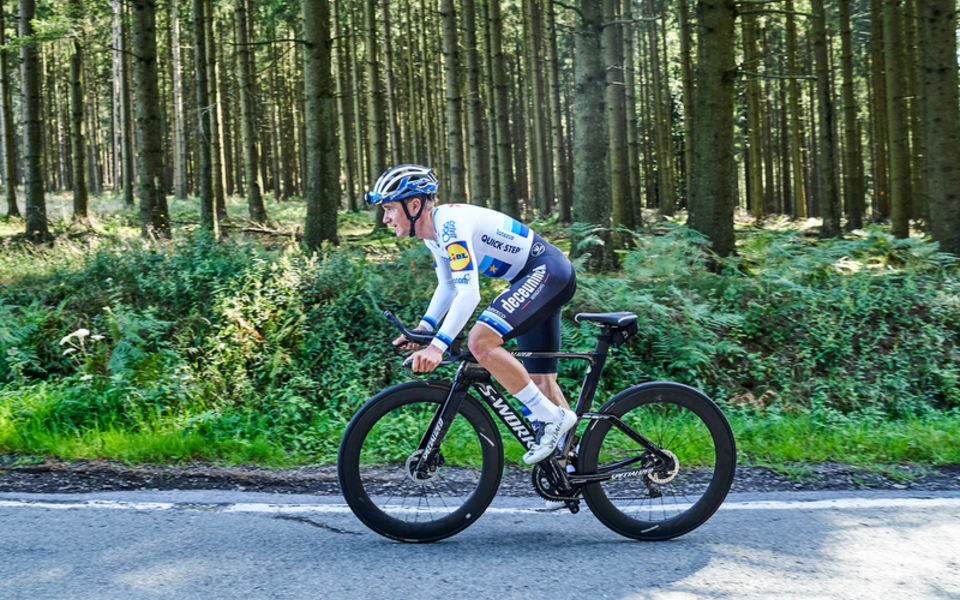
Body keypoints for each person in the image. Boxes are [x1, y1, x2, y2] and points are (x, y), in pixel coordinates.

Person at [366, 164, 578, 465]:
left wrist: (437, 347)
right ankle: (572, 468)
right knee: (541, 382)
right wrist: (425, 329)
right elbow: (449, 286)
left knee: (481, 342)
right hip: (539, 276)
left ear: (414, 205)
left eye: (388, 208)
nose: (385, 218)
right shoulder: (433, 235)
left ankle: (553, 419)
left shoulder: (449, 225)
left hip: (547, 272)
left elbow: (469, 294)